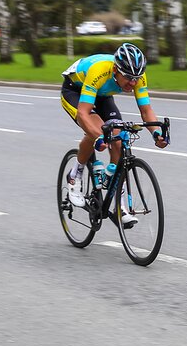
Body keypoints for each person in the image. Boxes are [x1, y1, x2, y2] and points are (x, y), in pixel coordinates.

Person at [60, 42, 168, 217]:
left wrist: (156, 134)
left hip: (102, 94)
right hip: (75, 91)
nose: (133, 82)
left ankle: (119, 202)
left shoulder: (137, 77)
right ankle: (75, 175)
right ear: (116, 70)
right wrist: (98, 137)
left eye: (136, 78)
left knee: (117, 135)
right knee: (97, 129)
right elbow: (83, 113)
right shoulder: (99, 71)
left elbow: (146, 110)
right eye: (128, 77)